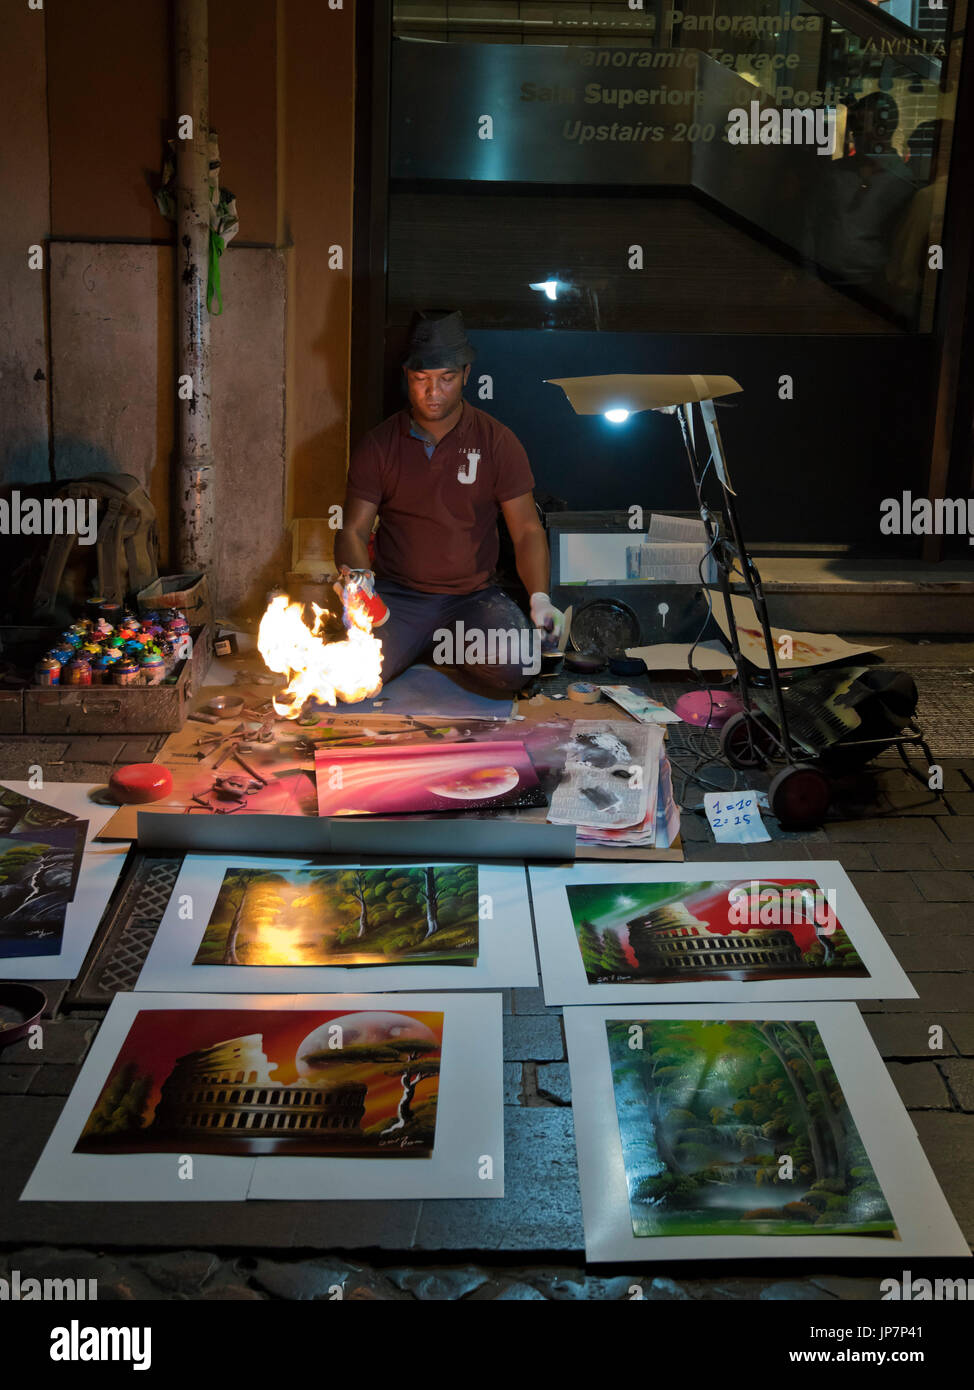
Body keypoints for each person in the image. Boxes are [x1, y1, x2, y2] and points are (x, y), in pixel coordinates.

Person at [334, 310, 563, 695]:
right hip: (397, 601)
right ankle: (421, 646)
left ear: (467, 375)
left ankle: (439, 648)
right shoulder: (378, 445)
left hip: (472, 600)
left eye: (446, 379)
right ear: (407, 376)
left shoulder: (497, 441)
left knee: (518, 663)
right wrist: (358, 582)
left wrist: (540, 597)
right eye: (421, 379)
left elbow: (525, 530)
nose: (433, 392)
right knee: (350, 681)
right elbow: (353, 530)